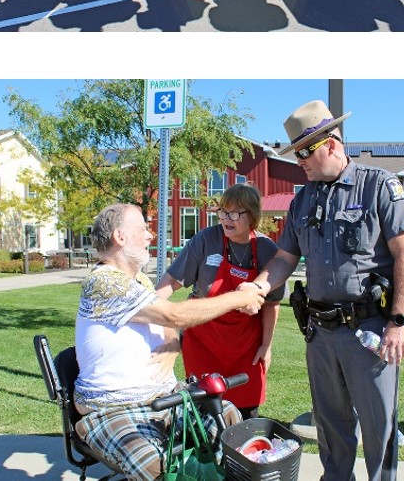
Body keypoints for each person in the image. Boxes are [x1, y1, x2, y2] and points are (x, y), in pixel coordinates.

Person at [243, 99, 404, 481]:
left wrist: (399, 322)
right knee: (331, 427)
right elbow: (285, 259)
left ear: (332, 143)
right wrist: (258, 286)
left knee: (379, 428)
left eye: (304, 152)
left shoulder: (379, 186)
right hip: (320, 332)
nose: (299, 162)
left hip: (370, 330)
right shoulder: (302, 199)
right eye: (295, 154)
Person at [73, 203, 265, 481]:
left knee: (231, 423)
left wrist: (173, 345)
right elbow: (174, 315)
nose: (150, 235)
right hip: (113, 408)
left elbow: (167, 325)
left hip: (164, 398)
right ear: (120, 237)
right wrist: (240, 297)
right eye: (142, 229)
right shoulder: (104, 282)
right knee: (157, 467)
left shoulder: (138, 280)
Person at [155, 183, 283, 420]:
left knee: (247, 411)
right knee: (203, 410)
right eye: (223, 212)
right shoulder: (206, 240)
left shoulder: (266, 249)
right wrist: (150, 308)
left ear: (252, 215)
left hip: (246, 348)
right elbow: (172, 281)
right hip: (204, 343)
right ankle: (207, 457)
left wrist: (266, 346)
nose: (226, 218)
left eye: (234, 213)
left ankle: (241, 455)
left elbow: (271, 304)